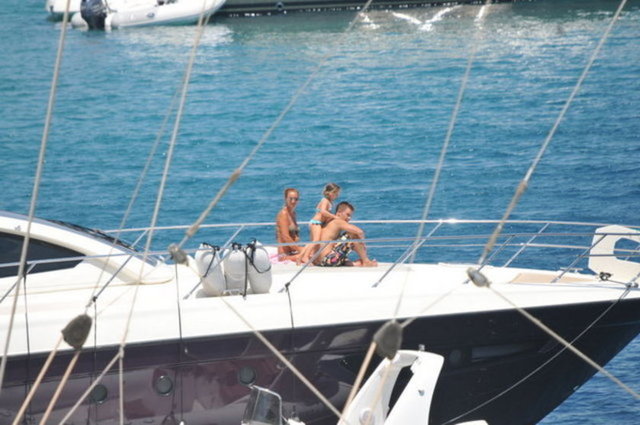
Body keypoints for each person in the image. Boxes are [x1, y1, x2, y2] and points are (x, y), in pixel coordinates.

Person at [314, 201, 377, 267]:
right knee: (352, 234)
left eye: (350, 216)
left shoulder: (329, 222)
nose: (349, 218)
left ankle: (353, 263)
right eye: (348, 215)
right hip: (329, 260)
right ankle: (366, 261)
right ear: (339, 213)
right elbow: (359, 231)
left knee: (345, 240)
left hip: (322, 262)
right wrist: (363, 245)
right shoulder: (338, 221)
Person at [298, 183, 341, 264]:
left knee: (312, 242)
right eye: (336, 193)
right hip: (316, 223)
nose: (337, 195)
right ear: (330, 193)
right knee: (316, 240)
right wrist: (334, 217)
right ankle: (305, 257)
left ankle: (300, 257)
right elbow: (323, 211)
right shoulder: (325, 200)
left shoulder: (330, 202)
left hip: (319, 223)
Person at [275, 188, 302, 261]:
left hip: (293, 252)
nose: (293, 201)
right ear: (285, 199)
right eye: (291, 199)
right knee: (309, 257)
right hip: (284, 255)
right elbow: (285, 237)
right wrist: (300, 250)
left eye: (296, 199)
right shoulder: (283, 214)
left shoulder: (293, 214)